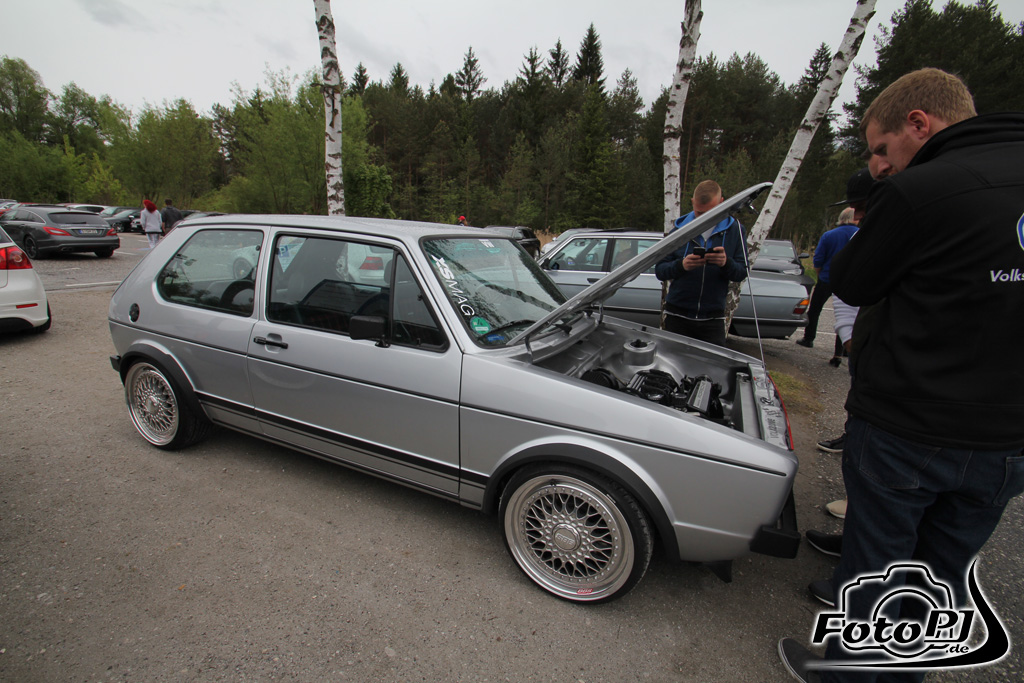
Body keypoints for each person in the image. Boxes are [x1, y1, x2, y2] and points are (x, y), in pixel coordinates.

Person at [779, 68, 1024, 683]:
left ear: (919, 123)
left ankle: (846, 675)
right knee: (942, 578)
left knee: (877, 570)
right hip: (1009, 439)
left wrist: (883, 205)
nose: (881, 166)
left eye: (882, 149)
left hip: (909, 429)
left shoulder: (923, 190)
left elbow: (853, 280)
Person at [655, 179, 748, 347]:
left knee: (713, 364)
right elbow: (660, 270)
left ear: (721, 203)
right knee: (673, 362)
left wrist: (726, 263)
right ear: (692, 202)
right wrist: (682, 266)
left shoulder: (735, 230)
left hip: (713, 318)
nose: (704, 218)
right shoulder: (678, 230)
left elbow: (742, 272)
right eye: (699, 213)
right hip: (677, 316)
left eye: (710, 213)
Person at [796, 171, 871, 350]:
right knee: (847, 314)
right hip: (848, 283)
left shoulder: (829, 235)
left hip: (827, 279)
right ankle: (841, 349)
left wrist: (821, 274)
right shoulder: (863, 234)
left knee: (815, 310)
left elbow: (818, 258)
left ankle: (809, 338)